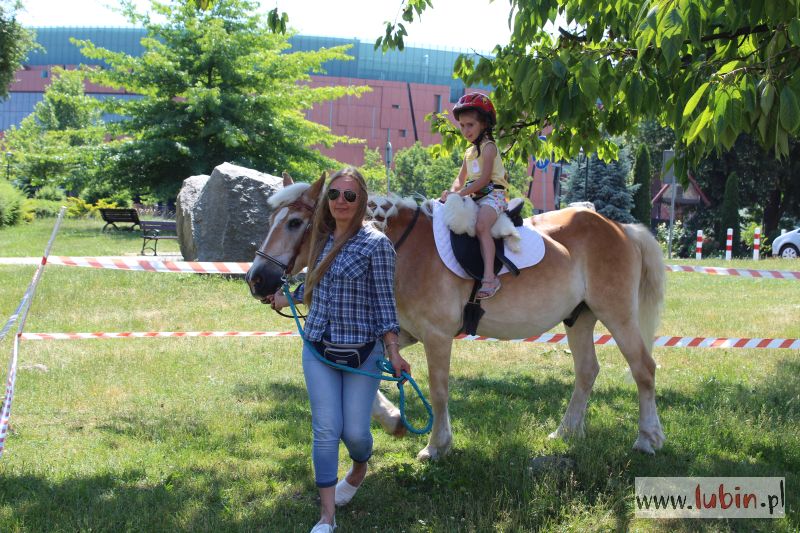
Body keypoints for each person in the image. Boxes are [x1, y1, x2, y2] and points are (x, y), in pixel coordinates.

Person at [269, 167, 411, 533]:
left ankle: (360, 466)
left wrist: (393, 351)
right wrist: (289, 296)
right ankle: (326, 517)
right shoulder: (319, 240)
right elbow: (315, 280)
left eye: (350, 195)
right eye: (334, 195)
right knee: (326, 429)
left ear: (361, 200)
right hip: (318, 349)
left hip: (362, 353)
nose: (341, 201)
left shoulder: (377, 245)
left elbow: (385, 304)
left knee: (356, 434)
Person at [440, 92, 509, 299]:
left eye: (470, 125)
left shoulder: (489, 148)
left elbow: (485, 180)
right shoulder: (469, 153)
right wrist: (451, 192)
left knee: (481, 226)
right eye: (462, 126)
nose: (465, 130)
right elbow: (460, 179)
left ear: (484, 124)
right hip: (474, 197)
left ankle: (490, 278)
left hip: (493, 195)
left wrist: (459, 194)